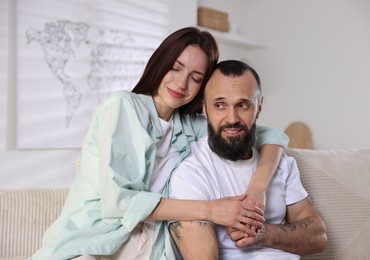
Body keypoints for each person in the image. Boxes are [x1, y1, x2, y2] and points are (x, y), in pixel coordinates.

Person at [31, 28, 288, 260]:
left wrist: (257, 188)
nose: (181, 83)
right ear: (160, 62)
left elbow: (270, 135)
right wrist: (212, 210)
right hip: (94, 242)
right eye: (175, 68)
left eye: (196, 77)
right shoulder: (122, 107)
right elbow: (118, 203)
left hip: (152, 246)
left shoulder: (190, 125)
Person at [169, 60, 327, 260]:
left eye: (243, 105)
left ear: (258, 107)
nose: (232, 118)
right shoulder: (191, 173)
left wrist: (263, 233)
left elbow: (318, 236)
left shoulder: (281, 163)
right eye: (220, 105)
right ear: (205, 109)